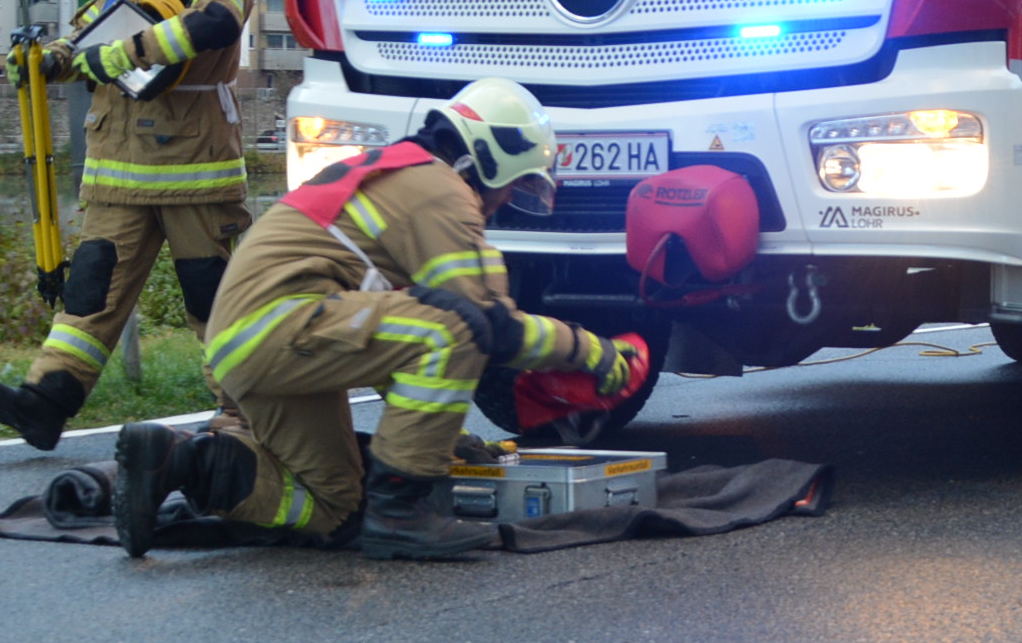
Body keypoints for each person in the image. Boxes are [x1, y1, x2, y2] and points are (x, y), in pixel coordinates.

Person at [116, 77, 647, 560]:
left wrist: (444, 441)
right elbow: (490, 326)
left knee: (336, 511)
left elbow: (386, 343)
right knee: (457, 327)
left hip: (257, 343)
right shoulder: (440, 191)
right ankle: (400, 512)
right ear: (489, 156)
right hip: (282, 329)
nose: (506, 201)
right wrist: (594, 353)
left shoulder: (398, 174)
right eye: (514, 184)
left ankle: (183, 463)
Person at [0, 0, 255, 452]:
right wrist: (51, 60)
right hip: (118, 170)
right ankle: (46, 401)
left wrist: (129, 53)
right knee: (89, 293)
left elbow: (216, 22)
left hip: (193, 170)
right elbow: (88, 41)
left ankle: (246, 414)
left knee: (213, 299)